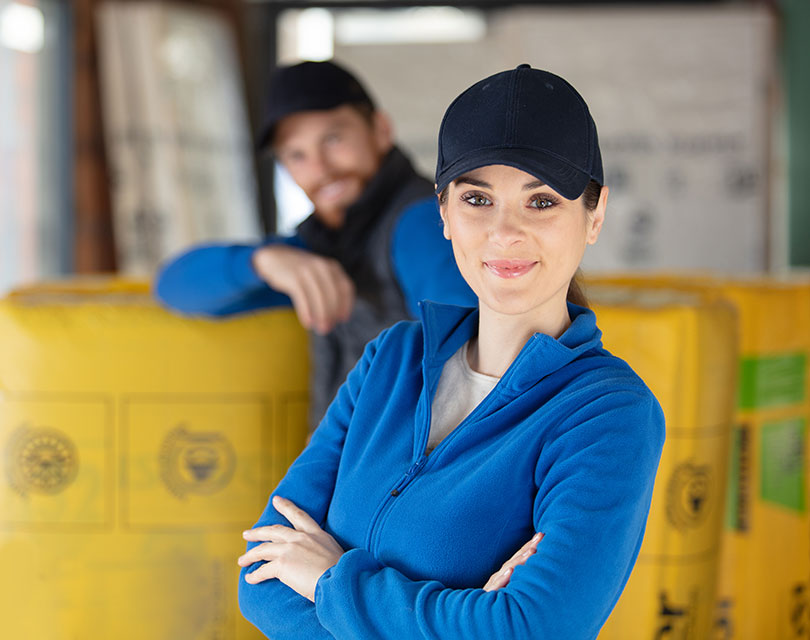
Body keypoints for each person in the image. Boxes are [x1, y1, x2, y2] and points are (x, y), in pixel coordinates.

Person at [236, 64, 666, 639]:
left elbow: (531, 629)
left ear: (595, 214)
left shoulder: (607, 414)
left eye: (540, 202)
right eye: (477, 198)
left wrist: (328, 580)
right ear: (443, 212)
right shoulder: (389, 361)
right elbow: (260, 580)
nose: (505, 232)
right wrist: (458, 619)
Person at [154, 60, 475, 428]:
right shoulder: (316, 246)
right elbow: (172, 286)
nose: (320, 168)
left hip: (409, 474)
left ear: (381, 130)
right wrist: (264, 263)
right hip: (353, 475)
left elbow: (467, 360)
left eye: (333, 139)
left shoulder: (421, 224)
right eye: (296, 155)